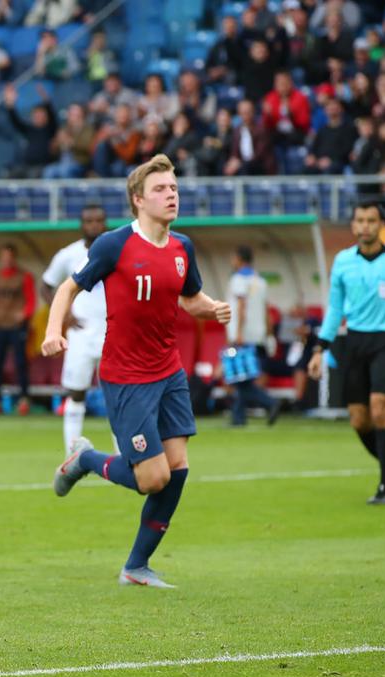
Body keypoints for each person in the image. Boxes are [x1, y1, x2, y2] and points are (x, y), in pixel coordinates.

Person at [42, 154, 231, 588]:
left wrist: (213, 308)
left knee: (177, 468)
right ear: (138, 200)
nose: (171, 195)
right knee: (153, 477)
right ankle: (85, 459)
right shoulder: (114, 245)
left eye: (174, 188)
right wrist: (54, 330)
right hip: (127, 376)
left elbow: (190, 298)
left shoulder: (182, 247)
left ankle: (136, 567)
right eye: (161, 189)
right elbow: (68, 288)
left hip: (170, 372)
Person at [308, 202, 385, 505]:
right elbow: (335, 309)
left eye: (371, 220)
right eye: (360, 220)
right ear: (353, 226)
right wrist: (319, 349)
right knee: (359, 420)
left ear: (381, 225)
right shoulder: (343, 262)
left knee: (380, 409)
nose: (365, 226)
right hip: (355, 342)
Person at [41, 204, 108, 453]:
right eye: (89, 221)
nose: (94, 225)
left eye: (98, 220)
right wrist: (64, 315)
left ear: (105, 223)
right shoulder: (68, 255)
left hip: (112, 333)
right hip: (80, 336)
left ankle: (123, 455)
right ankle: (71, 455)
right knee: (76, 394)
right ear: (81, 224)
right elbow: (46, 286)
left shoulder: (115, 251)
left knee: (117, 395)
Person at [224, 246, 283, 427]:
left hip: (243, 335)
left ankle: (270, 403)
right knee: (244, 378)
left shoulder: (238, 280)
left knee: (241, 378)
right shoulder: (260, 281)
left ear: (239, 259)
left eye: (233, 258)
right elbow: (266, 310)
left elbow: (241, 307)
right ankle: (238, 418)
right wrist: (269, 334)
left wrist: (238, 333)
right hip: (258, 335)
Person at [0, 244, 35, 416]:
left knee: (20, 362)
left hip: (17, 326)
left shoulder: (25, 276)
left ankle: (24, 399)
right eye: (4, 257)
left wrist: (25, 314)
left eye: (9, 257)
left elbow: (31, 301)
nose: (6, 260)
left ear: (14, 258)